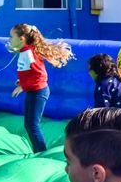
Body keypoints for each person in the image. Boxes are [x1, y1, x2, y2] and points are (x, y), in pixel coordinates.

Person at [8, 23, 74, 153]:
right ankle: (37, 150)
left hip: (38, 92)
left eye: (11, 37)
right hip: (33, 91)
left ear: (21, 39)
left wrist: (23, 85)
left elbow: (40, 75)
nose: (9, 40)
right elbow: (30, 73)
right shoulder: (25, 52)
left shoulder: (28, 53)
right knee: (28, 124)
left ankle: (41, 152)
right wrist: (22, 83)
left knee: (32, 125)